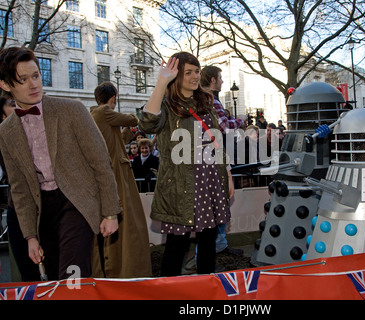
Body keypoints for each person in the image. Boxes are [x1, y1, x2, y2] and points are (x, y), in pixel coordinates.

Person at [0, 47, 121, 280]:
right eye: (22, 80)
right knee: (55, 275)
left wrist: (110, 212)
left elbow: (100, 162)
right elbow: (19, 188)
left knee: (72, 273)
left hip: (77, 200)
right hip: (42, 208)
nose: (33, 84)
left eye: (35, 76)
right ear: (6, 85)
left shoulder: (71, 109)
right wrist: (30, 237)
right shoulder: (6, 131)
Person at [138, 52, 233, 276]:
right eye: (188, 72)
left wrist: (227, 174)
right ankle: (168, 291)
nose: (194, 77)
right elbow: (147, 123)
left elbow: (216, 140)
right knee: (176, 245)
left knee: (208, 243)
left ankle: (206, 289)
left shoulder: (206, 103)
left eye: (197, 71)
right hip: (180, 186)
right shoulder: (167, 105)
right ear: (177, 75)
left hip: (209, 180)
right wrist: (162, 81)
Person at [91, 81, 152, 278]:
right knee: (129, 223)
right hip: (117, 174)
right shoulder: (103, 112)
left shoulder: (99, 116)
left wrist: (126, 134)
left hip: (117, 171)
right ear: (113, 98)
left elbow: (116, 142)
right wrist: (134, 118)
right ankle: (125, 267)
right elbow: (133, 119)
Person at [200, 65, 243, 256]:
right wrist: (240, 120)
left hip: (209, 156)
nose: (222, 81)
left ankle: (219, 245)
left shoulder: (203, 99)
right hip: (215, 157)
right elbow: (224, 127)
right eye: (220, 77)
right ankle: (208, 252)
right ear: (212, 80)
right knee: (217, 203)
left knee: (216, 203)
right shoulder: (211, 100)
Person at [0, 95, 40, 281]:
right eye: (13, 105)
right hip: (19, 209)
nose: (19, 108)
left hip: (48, 206)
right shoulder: (5, 137)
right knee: (29, 272)